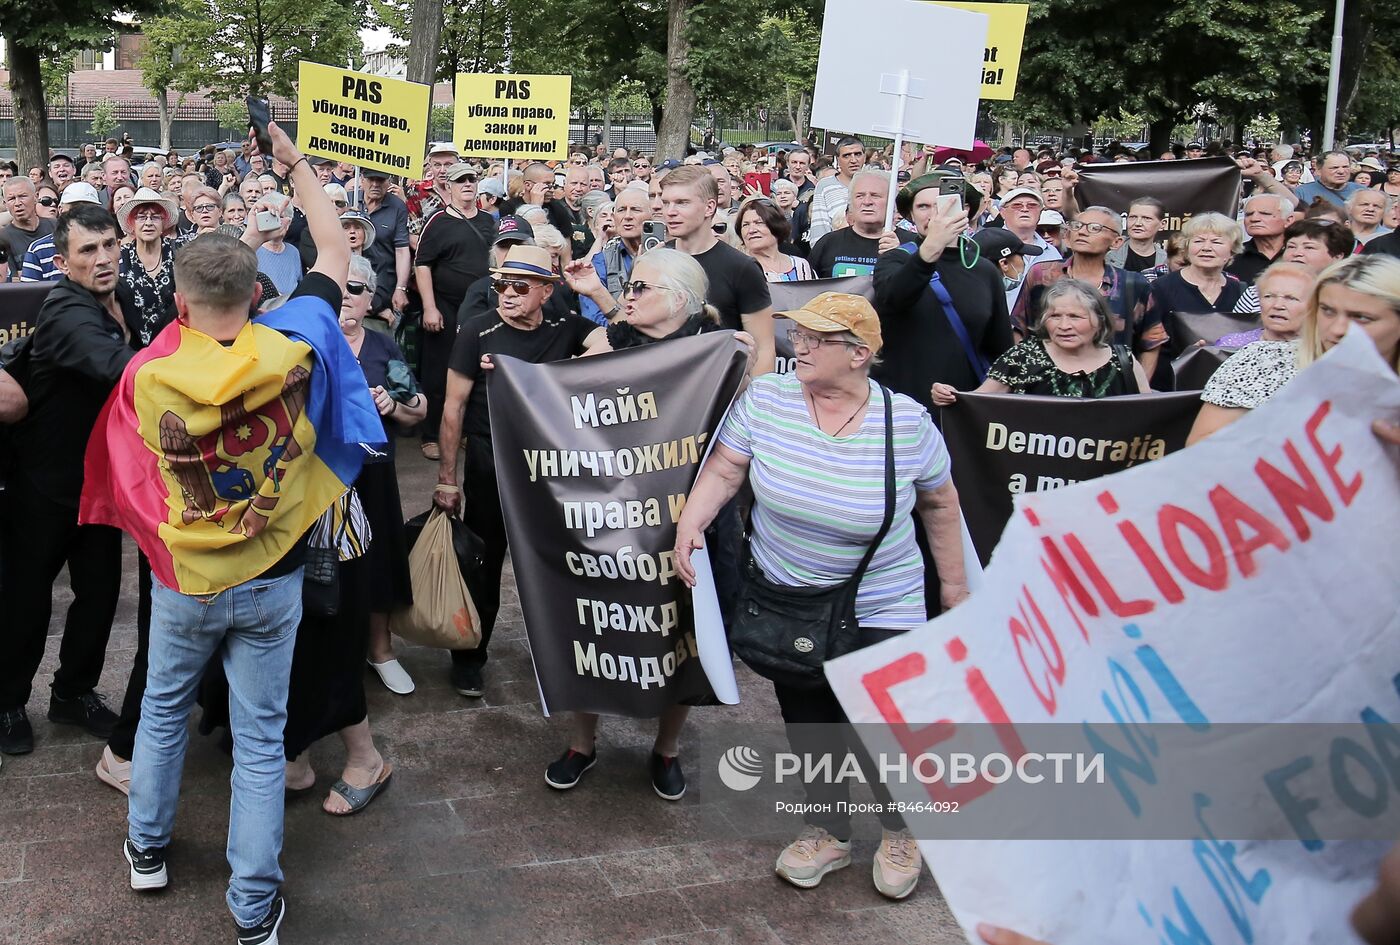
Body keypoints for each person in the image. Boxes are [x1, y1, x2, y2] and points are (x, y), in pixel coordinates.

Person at [101, 119, 366, 943]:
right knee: (259, 739)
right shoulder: (297, 337)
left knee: (163, 714)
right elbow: (331, 250)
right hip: (275, 571)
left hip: (185, 578)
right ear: (258, 294)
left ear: (180, 302)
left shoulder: (149, 372)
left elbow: (130, 473)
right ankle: (254, 908)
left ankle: (147, 849)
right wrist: (293, 163)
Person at [673, 291, 968, 900]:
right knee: (809, 718)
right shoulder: (766, 398)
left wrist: (957, 590)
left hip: (882, 599)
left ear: (860, 354)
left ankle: (900, 830)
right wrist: (691, 522)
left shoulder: (907, 422)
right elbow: (727, 469)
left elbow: (940, 503)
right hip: (788, 595)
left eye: (816, 339)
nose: (797, 347)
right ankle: (829, 830)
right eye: (796, 335)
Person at [544, 249, 747, 800]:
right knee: (594, 622)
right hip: (611, 514)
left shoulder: (722, 354)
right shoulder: (603, 344)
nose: (627, 295)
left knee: (681, 633)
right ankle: (582, 743)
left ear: (680, 300)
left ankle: (667, 749)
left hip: (689, 521)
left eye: (640, 288)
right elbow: (558, 413)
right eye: (627, 288)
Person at [432, 245, 606, 698]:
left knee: (562, 564)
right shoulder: (478, 330)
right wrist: (447, 480)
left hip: (555, 469)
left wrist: (568, 368)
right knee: (483, 566)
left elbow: (620, 342)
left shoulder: (566, 325)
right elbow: (452, 408)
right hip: (493, 465)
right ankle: (470, 657)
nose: (505, 294)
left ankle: (571, 655)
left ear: (546, 292)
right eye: (499, 285)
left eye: (518, 286)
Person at [0, 203, 136, 757]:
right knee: (27, 601)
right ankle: (7, 702)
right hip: (44, 485)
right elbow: (123, 370)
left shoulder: (118, 300)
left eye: (109, 246)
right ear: (63, 261)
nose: (102, 259)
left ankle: (73, 693)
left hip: (99, 486)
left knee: (100, 594)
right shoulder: (65, 310)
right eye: (88, 250)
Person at [873, 173, 1015, 419]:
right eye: (923, 206)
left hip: (961, 413)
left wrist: (981, 397)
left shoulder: (984, 270)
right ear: (911, 215)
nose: (933, 215)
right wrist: (930, 249)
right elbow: (894, 296)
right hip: (901, 409)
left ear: (965, 210)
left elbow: (1000, 350)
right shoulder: (894, 260)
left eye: (941, 205)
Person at [934, 278, 1149, 404]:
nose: (1064, 326)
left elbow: (1150, 413)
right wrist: (948, 396)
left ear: (1099, 320)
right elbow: (976, 403)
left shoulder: (1124, 361)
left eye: (1075, 317)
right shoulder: (1023, 356)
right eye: (1055, 317)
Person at [1012, 205, 1164, 377]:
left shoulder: (1133, 284)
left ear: (1116, 242)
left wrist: (1138, 390)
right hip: (1046, 383)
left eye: (1094, 228)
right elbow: (1019, 329)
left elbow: (1151, 342)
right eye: (1077, 226)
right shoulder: (1042, 275)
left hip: (1112, 388)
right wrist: (1023, 377)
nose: (1082, 232)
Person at [414, 162, 497, 461]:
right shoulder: (436, 222)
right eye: (460, 180)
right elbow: (421, 264)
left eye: (471, 179)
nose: (467, 185)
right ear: (448, 186)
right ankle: (432, 433)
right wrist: (430, 307)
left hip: (482, 310)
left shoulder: (490, 222)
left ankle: (464, 431)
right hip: (446, 309)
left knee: (476, 371)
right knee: (439, 372)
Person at [659, 165, 775, 374]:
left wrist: (755, 402)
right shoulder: (655, 261)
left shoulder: (741, 268)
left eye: (682, 203)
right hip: (663, 388)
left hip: (723, 389)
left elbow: (763, 348)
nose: (670, 212)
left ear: (709, 207)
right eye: (666, 202)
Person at [1187, 262, 1316, 443]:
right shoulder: (1247, 358)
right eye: (1269, 296)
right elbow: (1201, 441)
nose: (1277, 305)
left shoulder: (1328, 354)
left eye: (1291, 298)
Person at [1146, 212, 1248, 361]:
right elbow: (1146, 343)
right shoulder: (1159, 288)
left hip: (1226, 379)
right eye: (1199, 241)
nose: (1206, 247)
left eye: (1217, 242)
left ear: (1232, 251)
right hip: (1169, 379)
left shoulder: (1240, 290)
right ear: (1187, 248)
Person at [571, 183, 651, 324]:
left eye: (636, 210)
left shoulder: (668, 256)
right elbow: (594, 321)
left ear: (652, 215)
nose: (627, 216)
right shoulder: (600, 262)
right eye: (621, 210)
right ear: (614, 217)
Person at [115, 188, 180, 346]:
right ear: (132, 223)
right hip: (133, 347)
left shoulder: (179, 252)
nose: (149, 223)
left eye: (155, 217)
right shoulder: (119, 257)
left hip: (176, 344)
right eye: (141, 217)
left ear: (163, 222)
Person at [807, 170, 901, 277]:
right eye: (860, 196)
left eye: (875, 196)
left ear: (892, 202)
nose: (867, 202)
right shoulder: (828, 244)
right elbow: (808, 288)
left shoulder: (912, 245)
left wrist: (900, 258)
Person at [21, 182, 103, 282]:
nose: (82, 213)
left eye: (89, 208)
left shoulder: (108, 246)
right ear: (60, 209)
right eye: (75, 208)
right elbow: (29, 295)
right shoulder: (38, 250)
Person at [736, 196, 815, 282]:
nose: (751, 230)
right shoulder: (736, 270)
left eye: (759, 223)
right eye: (745, 225)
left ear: (776, 226)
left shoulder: (802, 266)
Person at [806, 137, 867, 246]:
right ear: (838, 159)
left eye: (857, 154)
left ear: (864, 156)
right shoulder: (825, 186)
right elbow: (819, 227)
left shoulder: (876, 184)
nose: (853, 160)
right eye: (846, 155)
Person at [971, 226, 1043, 315]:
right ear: (1004, 263)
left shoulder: (969, 297)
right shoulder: (984, 310)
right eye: (1021, 256)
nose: (1025, 263)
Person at [1226, 193, 1291, 284]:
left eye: (1265, 214)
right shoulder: (1230, 255)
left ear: (1288, 220)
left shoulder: (1302, 255)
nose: (1254, 219)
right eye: (1248, 214)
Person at [1, 178, 55, 281]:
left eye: (22, 196)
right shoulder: (2, 238)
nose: (17, 203)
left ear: (35, 197)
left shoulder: (56, 227)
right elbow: (13, 281)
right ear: (5, 203)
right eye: (11, 199)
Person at [1294, 151, 1367, 208]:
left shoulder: (1362, 191)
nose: (1341, 172)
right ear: (1319, 170)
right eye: (1334, 168)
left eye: (1345, 167)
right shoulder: (1301, 193)